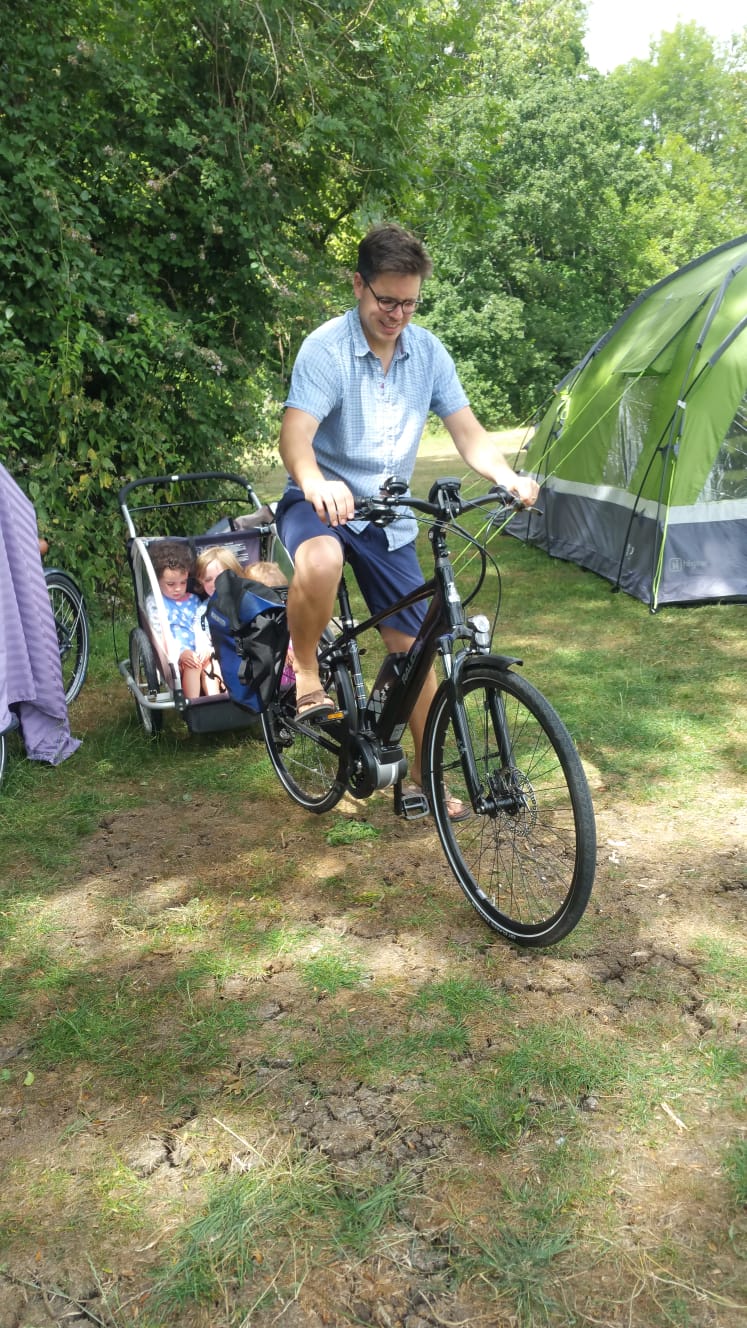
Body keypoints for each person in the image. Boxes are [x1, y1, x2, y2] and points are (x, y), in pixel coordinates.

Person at [275, 222, 539, 819]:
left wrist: (506, 477)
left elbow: (467, 431)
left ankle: (419, 776)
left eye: (409, 302)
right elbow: (296, 435)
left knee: (415, 649)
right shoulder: (325, 348)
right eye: (385, 300)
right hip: (322, 503)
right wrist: (316, 482)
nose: (396, 313)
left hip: (390, 520)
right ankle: (308, 670)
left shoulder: (430, 353)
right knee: (323, 559)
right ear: (359, 286)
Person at [145, 540, 221, 699]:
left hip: (199, 649)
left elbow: (202, 626)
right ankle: (193, 705)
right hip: (173, 656)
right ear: (157, 581)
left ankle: (216, 701)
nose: (178, 588)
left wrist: (205, 648)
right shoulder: (156, 602)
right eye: (171, 584)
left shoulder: (194, 600)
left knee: (210, 663)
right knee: (192, 665)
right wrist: (179, 654)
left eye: (183, 582)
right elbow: (158, 634)